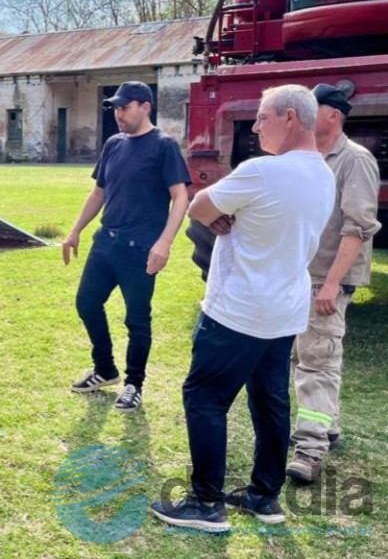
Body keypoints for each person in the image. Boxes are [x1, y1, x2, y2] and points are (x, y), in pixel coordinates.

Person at [151, 84, 335, 533]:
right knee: (271, 403)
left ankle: (206, 503)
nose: (254, 127)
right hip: (285, 309)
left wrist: (214, 212)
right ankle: (263, 496)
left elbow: (197, 204)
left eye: (261, 117)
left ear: (290, 117)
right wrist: (218, 212)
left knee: (205, 398)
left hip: (240, 309)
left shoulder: (264, 172)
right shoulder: (324, 173)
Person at [62, 81, 190, 411]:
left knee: (137, 320)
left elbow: (180, 197)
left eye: (125, 107)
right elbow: (98, 193)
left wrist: (165, 242)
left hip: (141, 249)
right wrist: (75, 230)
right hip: (106, 243)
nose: (119, 113)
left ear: (145, 106)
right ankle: (105, 369)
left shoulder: (164, 146)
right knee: (87, 303)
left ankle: (135, 383)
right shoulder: (113, 144)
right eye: (116, 108)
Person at [287, 83, 381, 483]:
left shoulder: (354, 160)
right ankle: (327, 425)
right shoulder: (308, 157)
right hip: (299, 275)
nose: (306, 112)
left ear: (333, 115)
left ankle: (309, 450)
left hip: (325, 278)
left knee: (317, 361)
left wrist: (332, 284)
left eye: (315, 106)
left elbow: (357, 227)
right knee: (302, 356)